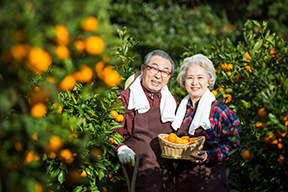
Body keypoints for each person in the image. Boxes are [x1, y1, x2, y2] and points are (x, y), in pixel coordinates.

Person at [171, 54, 240, 192]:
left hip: (211, 183)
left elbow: (233, 144)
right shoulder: (179, 110)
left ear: (209, 81)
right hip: (183, 182)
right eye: (190, 77)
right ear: (184, 81)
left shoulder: (220, 111)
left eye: (200, 77)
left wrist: (209, 155)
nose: (194, 82)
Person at [114, 50, 177, 192]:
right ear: (143, 69)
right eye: (154, 68)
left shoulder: (171, 103)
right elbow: (110, 134)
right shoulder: (125, 99)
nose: (158, 75)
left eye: (165, 72)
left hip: (165, 179)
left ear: (168, 77)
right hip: (136, 177)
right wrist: (121, 148)